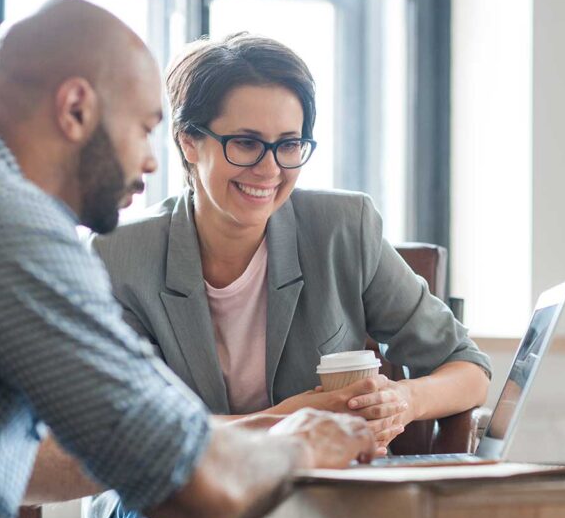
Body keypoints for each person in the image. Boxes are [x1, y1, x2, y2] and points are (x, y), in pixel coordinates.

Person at [0, 0, 374, 518]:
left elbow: (57, 459)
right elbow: (192, 489)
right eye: (143, 127)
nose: (152, 160)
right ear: (76, 109)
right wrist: (299, 443)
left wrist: (234, 436)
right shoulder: (5, 221)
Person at [90, 34, 492, 456]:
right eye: (245, 143)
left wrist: (403, 402)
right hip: (171, 494)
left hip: (323, 494)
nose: (269, 169)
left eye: (288, 144)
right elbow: (132, 429)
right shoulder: (119, 256)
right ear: (189, 141)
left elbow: (469, 368)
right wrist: (284, 422)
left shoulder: (342, 229)